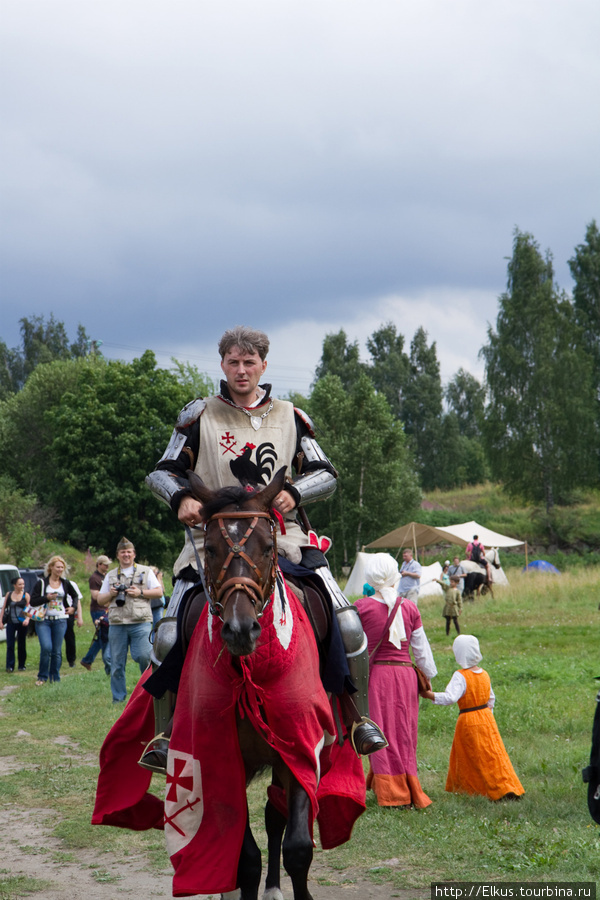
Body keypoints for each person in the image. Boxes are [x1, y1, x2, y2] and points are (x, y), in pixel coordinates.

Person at [143, 325, 386, 772]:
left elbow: (326, 472)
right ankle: (166, 732)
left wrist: (296, 493)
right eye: (233, 362)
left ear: (263, 366)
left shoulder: (291, 416)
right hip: (213, 538)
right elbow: (162, 471)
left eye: (249, 362)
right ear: (222, 365)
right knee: (169, 632)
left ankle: (357, 717)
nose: (241, 370)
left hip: (279, 535)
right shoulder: (199, 416)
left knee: (348, 622)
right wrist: (182, 498)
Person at [354, 553, 437, 808]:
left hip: (376, 676)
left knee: (380, 730)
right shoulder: (410, 607)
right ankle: (404, 786)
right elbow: (421, 650)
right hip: (404, 676)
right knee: (405, 731)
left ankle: (391, 792)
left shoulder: (361, 607)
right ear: (394, 575)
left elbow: (353, 649)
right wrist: (428, 677)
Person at [423, 635, 524, 801]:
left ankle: (478, 789)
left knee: (472, 756)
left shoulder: (461, 675)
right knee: (493, 754)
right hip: (486, 719)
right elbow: (491, 699)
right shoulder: (484, 674)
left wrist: (429, 695)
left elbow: (450, 697)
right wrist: (487, 717)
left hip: (468, 720)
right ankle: (506, 785)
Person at [96, 537, 163, 703]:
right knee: (116, 663)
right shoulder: (111, 575)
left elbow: (159, 592)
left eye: (129, 552)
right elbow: (99, 600)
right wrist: (111, 594)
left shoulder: (145, 571)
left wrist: (140, 593)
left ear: (134, 554)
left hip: (140, 621)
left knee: (144, 657)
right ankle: (118, 698)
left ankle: (146, 696)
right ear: (117, 555)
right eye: (122, 552)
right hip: (117, 623)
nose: (126, 555)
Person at [30, 556, 82, 685]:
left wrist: (73, 608)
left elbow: (75, 596)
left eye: (62, 567)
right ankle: (42, 676)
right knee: (47, 647)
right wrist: (46, 598)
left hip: (60, 620)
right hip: (43, 620)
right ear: (51, 567)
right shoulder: (41, 583)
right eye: (57, 567)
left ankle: (55, 677)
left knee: (56, 651)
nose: (60, 569)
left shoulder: (65, 583)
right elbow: (32, 601)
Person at [80, 555, 112, 675]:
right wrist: (110, 596)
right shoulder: (94, 578)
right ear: (99, 564)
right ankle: (107, 665)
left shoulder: (105, 576)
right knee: (104, 636)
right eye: (105, 564)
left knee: (102, 636)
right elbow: (95, 596)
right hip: (98, 610)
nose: (107, 566)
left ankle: (87, 660)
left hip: (106, 609)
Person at [1, 576, 31, 672]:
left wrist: (27, 619)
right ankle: (10, 666)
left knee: (21, 644)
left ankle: (21, 665)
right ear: (14, 585)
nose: (22, 586)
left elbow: (29, 609)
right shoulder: (9, 594)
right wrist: (1, 621)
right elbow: (4, 608)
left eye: (23, 584)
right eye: (20, 584)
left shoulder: (26, 595)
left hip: (22, 623)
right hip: (11, 622)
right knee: (10, 644)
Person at [64, 578, 84, 667]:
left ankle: (71, 660)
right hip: (55, 613)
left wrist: (79, 617)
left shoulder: (71, 583)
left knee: (70, 637)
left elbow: (77, 601)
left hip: (68, 613)